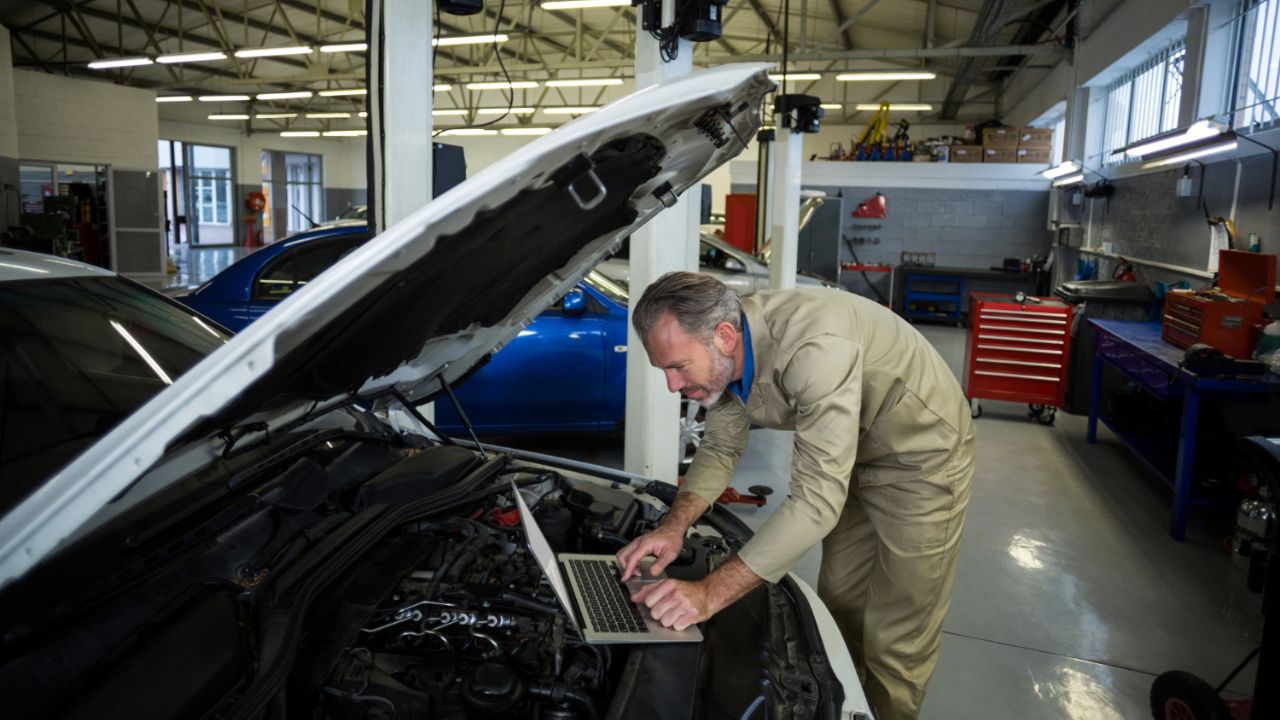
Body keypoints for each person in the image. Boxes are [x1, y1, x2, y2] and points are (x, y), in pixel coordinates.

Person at [616, 271, 975, 720]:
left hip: (920, 455)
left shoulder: (813, 349)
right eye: (664, 370)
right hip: (854, 452)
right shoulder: (727, 354)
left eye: (678, 367)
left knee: (897, 630)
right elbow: (720, 447)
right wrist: (674, 527)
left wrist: (709, 593)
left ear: (723, 336)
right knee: (841, 600)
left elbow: (815, 502)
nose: (672, 386)